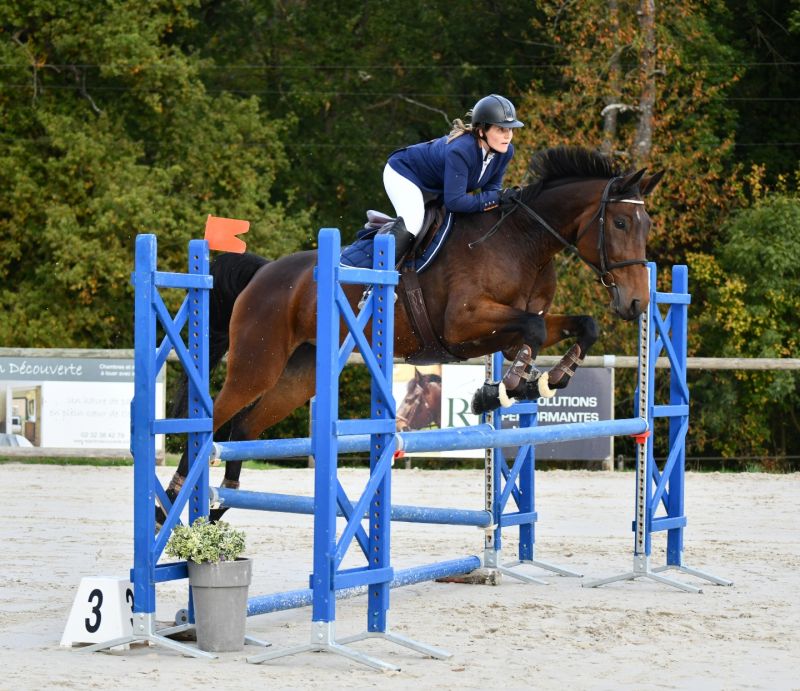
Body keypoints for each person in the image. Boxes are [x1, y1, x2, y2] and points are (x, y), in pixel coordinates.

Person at [379, 94, 524, 267]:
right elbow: (455, 202)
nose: (508, 136)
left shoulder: (505, 152)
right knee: (413, 221)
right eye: (501, 129)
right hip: (404, 174)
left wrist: (502, 201)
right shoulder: (462, 151)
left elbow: (491, 191)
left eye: (511, 129)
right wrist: (497, 198)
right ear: (481, 131)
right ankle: (377, 278)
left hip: (436, 187)